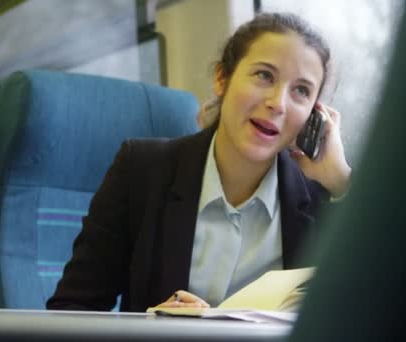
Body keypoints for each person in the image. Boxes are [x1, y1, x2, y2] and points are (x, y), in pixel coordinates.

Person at [46, 12, 351, 312]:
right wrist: (153, 330)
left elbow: (381, 311)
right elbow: (71, 308)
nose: (278, 103)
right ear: (222, 78)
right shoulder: (141, 171)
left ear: (315, 114)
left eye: (301, 91)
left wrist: (341, 180)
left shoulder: (322, 197)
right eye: (264, 75)